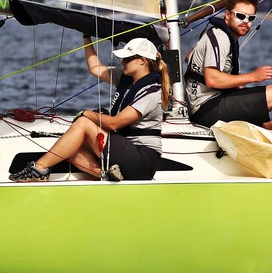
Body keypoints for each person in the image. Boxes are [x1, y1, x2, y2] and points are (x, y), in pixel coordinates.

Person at [10, 36, 171, 182]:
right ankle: (103, 173)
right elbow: (95, 68)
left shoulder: (152, 92)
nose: (122, 63)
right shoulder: (126, 79)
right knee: (69, 146)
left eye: (127, 59)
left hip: (142, 161)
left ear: (142, 60)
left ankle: (38, 169)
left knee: (83, 123)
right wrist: (86, 37)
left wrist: (87, 113)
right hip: (127, 150)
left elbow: (115, 123)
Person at [184, 0, 272, 132]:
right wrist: (253, 77)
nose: (246, 21)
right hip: (204, 109)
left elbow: (189, 57)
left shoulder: (221, 35)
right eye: (240, 16)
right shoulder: (220, 37)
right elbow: (212, 80)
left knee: (266, 122)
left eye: (251, 18)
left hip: (211, 101)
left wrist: (232, 83)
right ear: (227, 15)